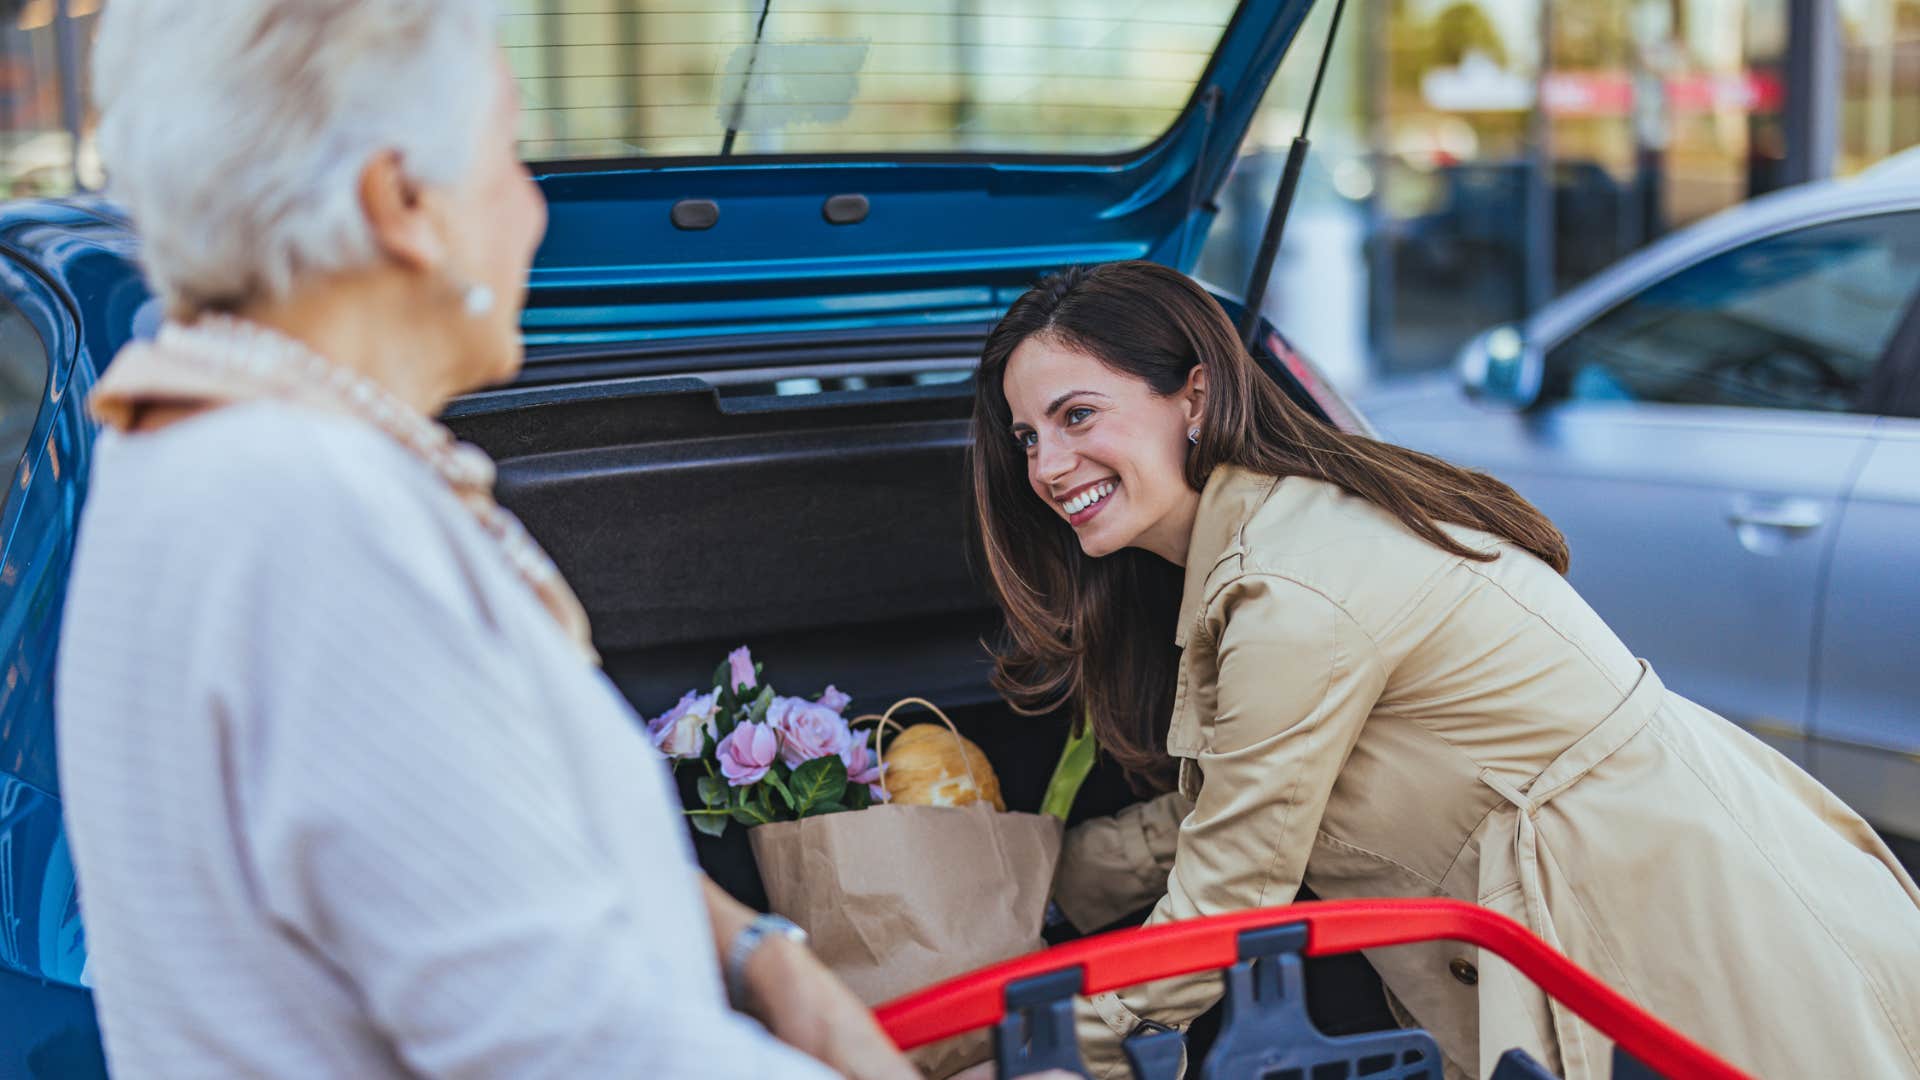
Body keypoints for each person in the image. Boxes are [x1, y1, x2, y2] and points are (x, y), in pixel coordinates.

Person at [55, 3, 914, 1077]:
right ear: (401, 201)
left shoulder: (193, 445)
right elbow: (565, 1045)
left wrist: (757, 955)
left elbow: (463, 862)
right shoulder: (311, 520)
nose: (535, 212)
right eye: (507, 154)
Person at [967, 260, 1920, 1079]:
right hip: (1652, 892)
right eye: (1027, 438)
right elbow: (1229, 807)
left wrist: (972, 1053)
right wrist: (1027, 888)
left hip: (1673, 932)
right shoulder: (1277, 531)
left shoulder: (1293, 588)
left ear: (1197, 395)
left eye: (1077, 414)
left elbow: (1226, 901)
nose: (1048, 466)